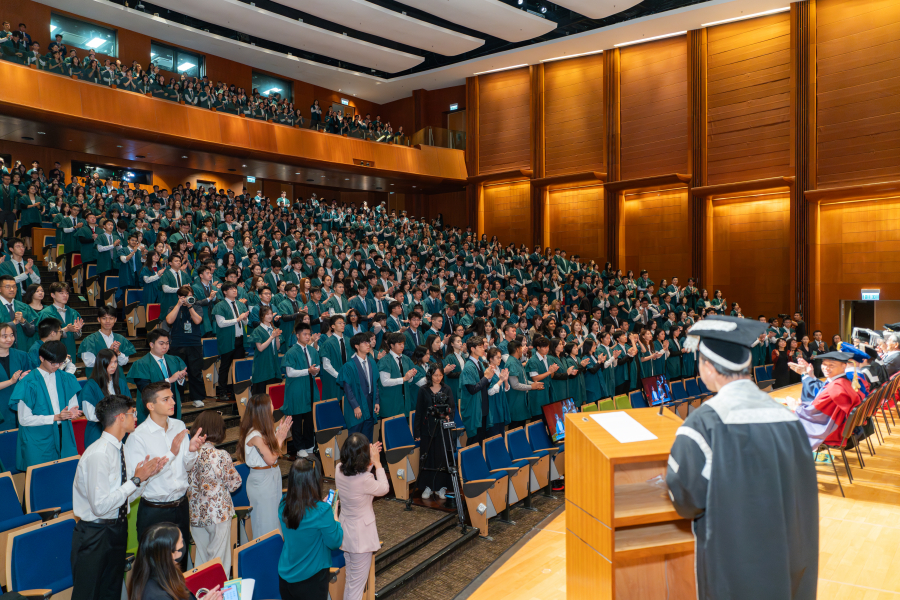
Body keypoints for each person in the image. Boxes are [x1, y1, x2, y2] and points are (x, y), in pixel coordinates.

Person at [665, 316, 818, 600]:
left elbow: (686, 501)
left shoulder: (703, 424)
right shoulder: (788, 419)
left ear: (708, 367)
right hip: (789, 559)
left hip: (737, 567)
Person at [71, 395, 167, 600]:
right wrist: (135, 480)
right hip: (95, 533)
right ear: (121, 417)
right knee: (88, 594)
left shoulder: (120, 448)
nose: (136, 417)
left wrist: (145, 478)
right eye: (133, 413)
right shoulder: (99, 454)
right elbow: (100, 506)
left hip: (117, 529)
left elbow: (124, 498)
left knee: (111, 592)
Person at [124, 381, 206, 570]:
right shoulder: (138, 437)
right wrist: (171, 453)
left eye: (172, 398)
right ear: (150, 405)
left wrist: (191, 451)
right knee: (156, 570)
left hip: (181, 506)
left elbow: (187, 466)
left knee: (180, 566)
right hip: (155, 511)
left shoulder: (179, 425)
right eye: (166, 399)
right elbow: (139, 480)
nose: (173, 402)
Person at [278, 458, 344, 600]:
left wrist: (322, 507)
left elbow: (303, 514)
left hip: (286, 576)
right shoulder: (322, 511)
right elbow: (335, 542)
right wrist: (334, 518)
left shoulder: (283, 504)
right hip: (311, 580)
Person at [11, 340, 82, 471]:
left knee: (65, 472)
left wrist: (72, 412)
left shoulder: (66, 378)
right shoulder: (28, 382)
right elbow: (24, 419)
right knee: (40, 476)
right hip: (37, 437)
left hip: (63, 433)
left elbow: (73, 404)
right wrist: (55, 417)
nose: (57, 366)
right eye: (53, 363)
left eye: (60, 363)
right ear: (41, 358)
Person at [188, 410, 242, 575]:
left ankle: (202, 589)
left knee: (202, 560)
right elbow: (235, 484)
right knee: (219, 561)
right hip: (218, 513)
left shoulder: (189, 454)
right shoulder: (221, 455)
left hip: (196, 513)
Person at [335, 433, 389, 600]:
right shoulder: (366, 479)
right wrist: (377, 462)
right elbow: (384, 488)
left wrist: (369, 460)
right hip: (361, 538)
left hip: (346, 532)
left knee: (351, 582)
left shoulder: (338, 469)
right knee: (356, 588)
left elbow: (358, 472)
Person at [237, 393, 292, 537]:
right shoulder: (255, 435)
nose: (273, 406)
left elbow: (272, 453)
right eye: (271, 403)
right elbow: (271, 459)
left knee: (275, 519)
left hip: (271, 475)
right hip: (262, 480)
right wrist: (280, 438)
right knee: (265, 523)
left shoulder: (262, 430)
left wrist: (278, 435)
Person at [788, 350, 867, 449]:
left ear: (844, 366)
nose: (826, 368)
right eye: (824, 364)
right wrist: (808, 374)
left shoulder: (836, 389)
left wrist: (796, 408)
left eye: (831, 365)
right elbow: (822, 394)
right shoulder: (843, 382)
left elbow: (813, 413)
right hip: (843, 428)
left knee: (784, 423)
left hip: (832, 432)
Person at [128, 522, 224, 600]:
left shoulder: (165, 574)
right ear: (171, 554)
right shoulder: (156, 595)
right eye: (181, 541)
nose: (183, 545)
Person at [413, 364, 455, 499]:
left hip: (442, 430)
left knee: (441, 458)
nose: (438, 378)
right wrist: (417, 432)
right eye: (435, 375)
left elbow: (452, 408)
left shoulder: (447, 389)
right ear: (430, 375)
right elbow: (419, 412)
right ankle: (428, 486)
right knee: (428, 458)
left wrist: (448, 416)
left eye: (440, 375)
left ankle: (441, 487)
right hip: (427, 429)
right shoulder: (423, 390)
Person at [128, 329, 188, 422]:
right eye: (161, 343)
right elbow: (145, 388)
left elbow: (180, 386)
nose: (165, 346)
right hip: (152, 408)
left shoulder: (174, 360)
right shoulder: (141, 364)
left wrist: (180, 379)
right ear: (151, 344)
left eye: (167, 343)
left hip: (172, 405)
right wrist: (170, 380)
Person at [79, 348, 132, 448]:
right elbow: (90, 415)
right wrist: (116, 416)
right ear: (101, 363)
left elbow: (129, 407)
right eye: (109, 362)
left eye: (115, 362)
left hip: (120, 433)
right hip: (98, 434)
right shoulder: (91, 386)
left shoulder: (121, 383)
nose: (113, 366)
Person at [283, 322, 321, 459]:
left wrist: (315, 371)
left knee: (310, 419)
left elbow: (317, 368)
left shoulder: (312, 350)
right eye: (305, 334)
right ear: (297, 335)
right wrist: (308, 371)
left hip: (310, 387)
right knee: (297, 419)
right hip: (296, 389)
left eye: (309, 334)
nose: (307, 336)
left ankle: (309, 444)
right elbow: (290, 372)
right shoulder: (291, 352)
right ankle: (299, 447)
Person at [165, 286, 207, 407]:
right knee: (177, 373)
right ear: (179, 297)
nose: (188, 298)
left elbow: (197, 321)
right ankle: (177, 398)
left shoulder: (197, 307)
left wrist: (190, 307)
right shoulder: (173, 308)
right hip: (177, 344)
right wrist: (179, 305)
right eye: (185, 296)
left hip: (194, 344)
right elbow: (169, 321)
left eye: (190, 296)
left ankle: (197, 398)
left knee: (195, 372)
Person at [338, 332, 381, 442]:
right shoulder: (349, 366)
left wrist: (376, 401)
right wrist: (355, 406)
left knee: (368, 437)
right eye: (364, 342)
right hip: (356, 404)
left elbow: (375, 383)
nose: (368, 344)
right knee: (355, 437)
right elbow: (347, 389)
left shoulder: (372, 362)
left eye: (368, 342)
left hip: (370, 402)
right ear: (356, 346)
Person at [212, 282, 250, 399]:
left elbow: (245, 323)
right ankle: (222, 391)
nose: (235, 290)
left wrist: (244, 319)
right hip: (227, 340)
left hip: (240, 339)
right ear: (224, 292)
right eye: (231, 289)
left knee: (238, 366)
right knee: (225, 366)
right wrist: (238, 319)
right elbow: (221, 323)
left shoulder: (240, 304)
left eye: (235, 288)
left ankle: (236, 392)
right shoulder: (220, 305)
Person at [78, 305, 136, 378]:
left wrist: (118, 353)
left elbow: (124, 362)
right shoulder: (89, 340)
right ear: (99, 319)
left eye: (111, 318)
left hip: (117, 378)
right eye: (104, 318)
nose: (107, 321)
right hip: (98, 378)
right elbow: (89, 363)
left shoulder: (121, 339)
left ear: (115, 320)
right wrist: (109, 353)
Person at [0, 322, 31, 432]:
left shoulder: (22, 356)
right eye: (4, 336)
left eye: (11, 335)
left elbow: (32, 379)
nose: (9, 339)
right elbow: (12, 381)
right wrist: (11, 381)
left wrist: (24, 378)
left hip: (20, 406)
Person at [249, 305, 282, 394]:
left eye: (271, 314)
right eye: (267, 314)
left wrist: (277, 337)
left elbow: (277, 348)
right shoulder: (257, 330)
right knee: (261, 393)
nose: (270, 316)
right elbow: (260, 348)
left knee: (272, 392)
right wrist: (272, 337)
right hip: (262, 364)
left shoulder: (273, 328)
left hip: (273, 363)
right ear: (262, 316)